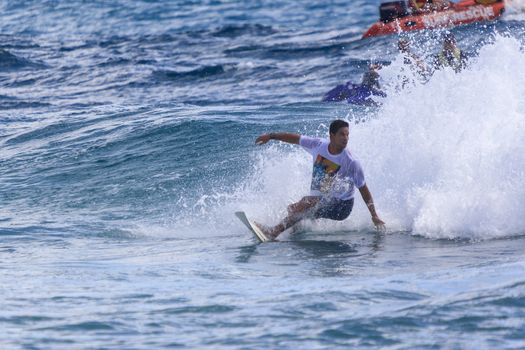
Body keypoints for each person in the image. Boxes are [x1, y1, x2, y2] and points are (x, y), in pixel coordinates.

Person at [253, 120, 385, 239]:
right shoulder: (318, 145)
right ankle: (297, 233)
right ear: (331, 135)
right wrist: (270, 136)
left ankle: (273, 232)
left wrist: (374, 215)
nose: (346, 138)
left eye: (347, 135)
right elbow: (295, 138)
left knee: (306, 205)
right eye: (342, 134)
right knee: (293, 209)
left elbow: (363, 189)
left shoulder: (351, 162)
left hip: (342, 206)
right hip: (326, 197)